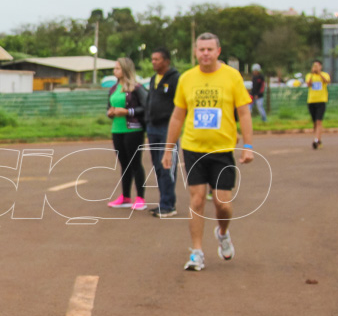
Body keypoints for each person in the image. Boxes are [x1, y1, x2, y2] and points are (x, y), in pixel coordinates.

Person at [162, 33, 254, 272]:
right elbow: (178, 115)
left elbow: (243, 113)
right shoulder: (187, 79)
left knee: (223, 204)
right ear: (195, 52)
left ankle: (222, 233)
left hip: (222, 149)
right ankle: (196, 252)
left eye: (209, 49)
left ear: (218, 52)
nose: (205, 53)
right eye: (201, 49)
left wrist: (248, 146)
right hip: (193, 148)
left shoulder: (232, 77)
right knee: (197, 199)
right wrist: (168, 149)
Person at [106, 57, 147, 211]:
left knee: (135, 163)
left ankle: (140, 198)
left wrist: (128, 111)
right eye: (114, 68)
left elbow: (145, 106)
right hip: (117, 129)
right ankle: (125, 197)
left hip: (133, 129)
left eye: (117, 68)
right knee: (124, 164)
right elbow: (108, 107)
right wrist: (110, 113)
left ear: (125, 69)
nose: (114, 71)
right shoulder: (113, 88)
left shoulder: (136, 88)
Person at [145, 48, 180, 218]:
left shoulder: (175, 79)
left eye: (157, 59)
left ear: (166, 61)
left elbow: (179, 105)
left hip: (168, 127)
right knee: (158, 166)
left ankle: (168, 204)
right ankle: (163, 201)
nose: (154, 62)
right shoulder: (154, 79)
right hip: (153, 127)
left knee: (167, 165)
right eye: (152, 59)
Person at [305, 60, 330, 149]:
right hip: (311, 101)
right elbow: (308, 84)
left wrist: (319, 73)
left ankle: (316, 140)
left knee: (319, 121)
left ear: (321, 67)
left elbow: (327, 81)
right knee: (315, 123)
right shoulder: (309, 75)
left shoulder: (324, 74)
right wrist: (312, 74)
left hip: (321, 100)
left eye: (317, 66)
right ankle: (318, 139)